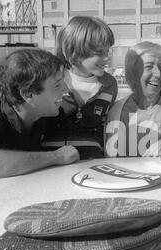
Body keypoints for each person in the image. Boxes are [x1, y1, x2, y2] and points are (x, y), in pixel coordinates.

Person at [0, 49, 80, 190]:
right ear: (28, 93)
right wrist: (56, 157)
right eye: (57, 84)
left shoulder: (46, 113)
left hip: (18, 196)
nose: (66, 89)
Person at [43, 16, 118, 159]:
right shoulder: (51, 78)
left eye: (107, 51)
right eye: (100, 53)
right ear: (75, 52)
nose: (107, 58)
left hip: (92, 161)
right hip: (50, 161)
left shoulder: (110, 85)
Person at [105, 41, 161, 157]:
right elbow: (111, 158)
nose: (158, 74)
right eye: (148, 67)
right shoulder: (117, 111)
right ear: (133, 72)